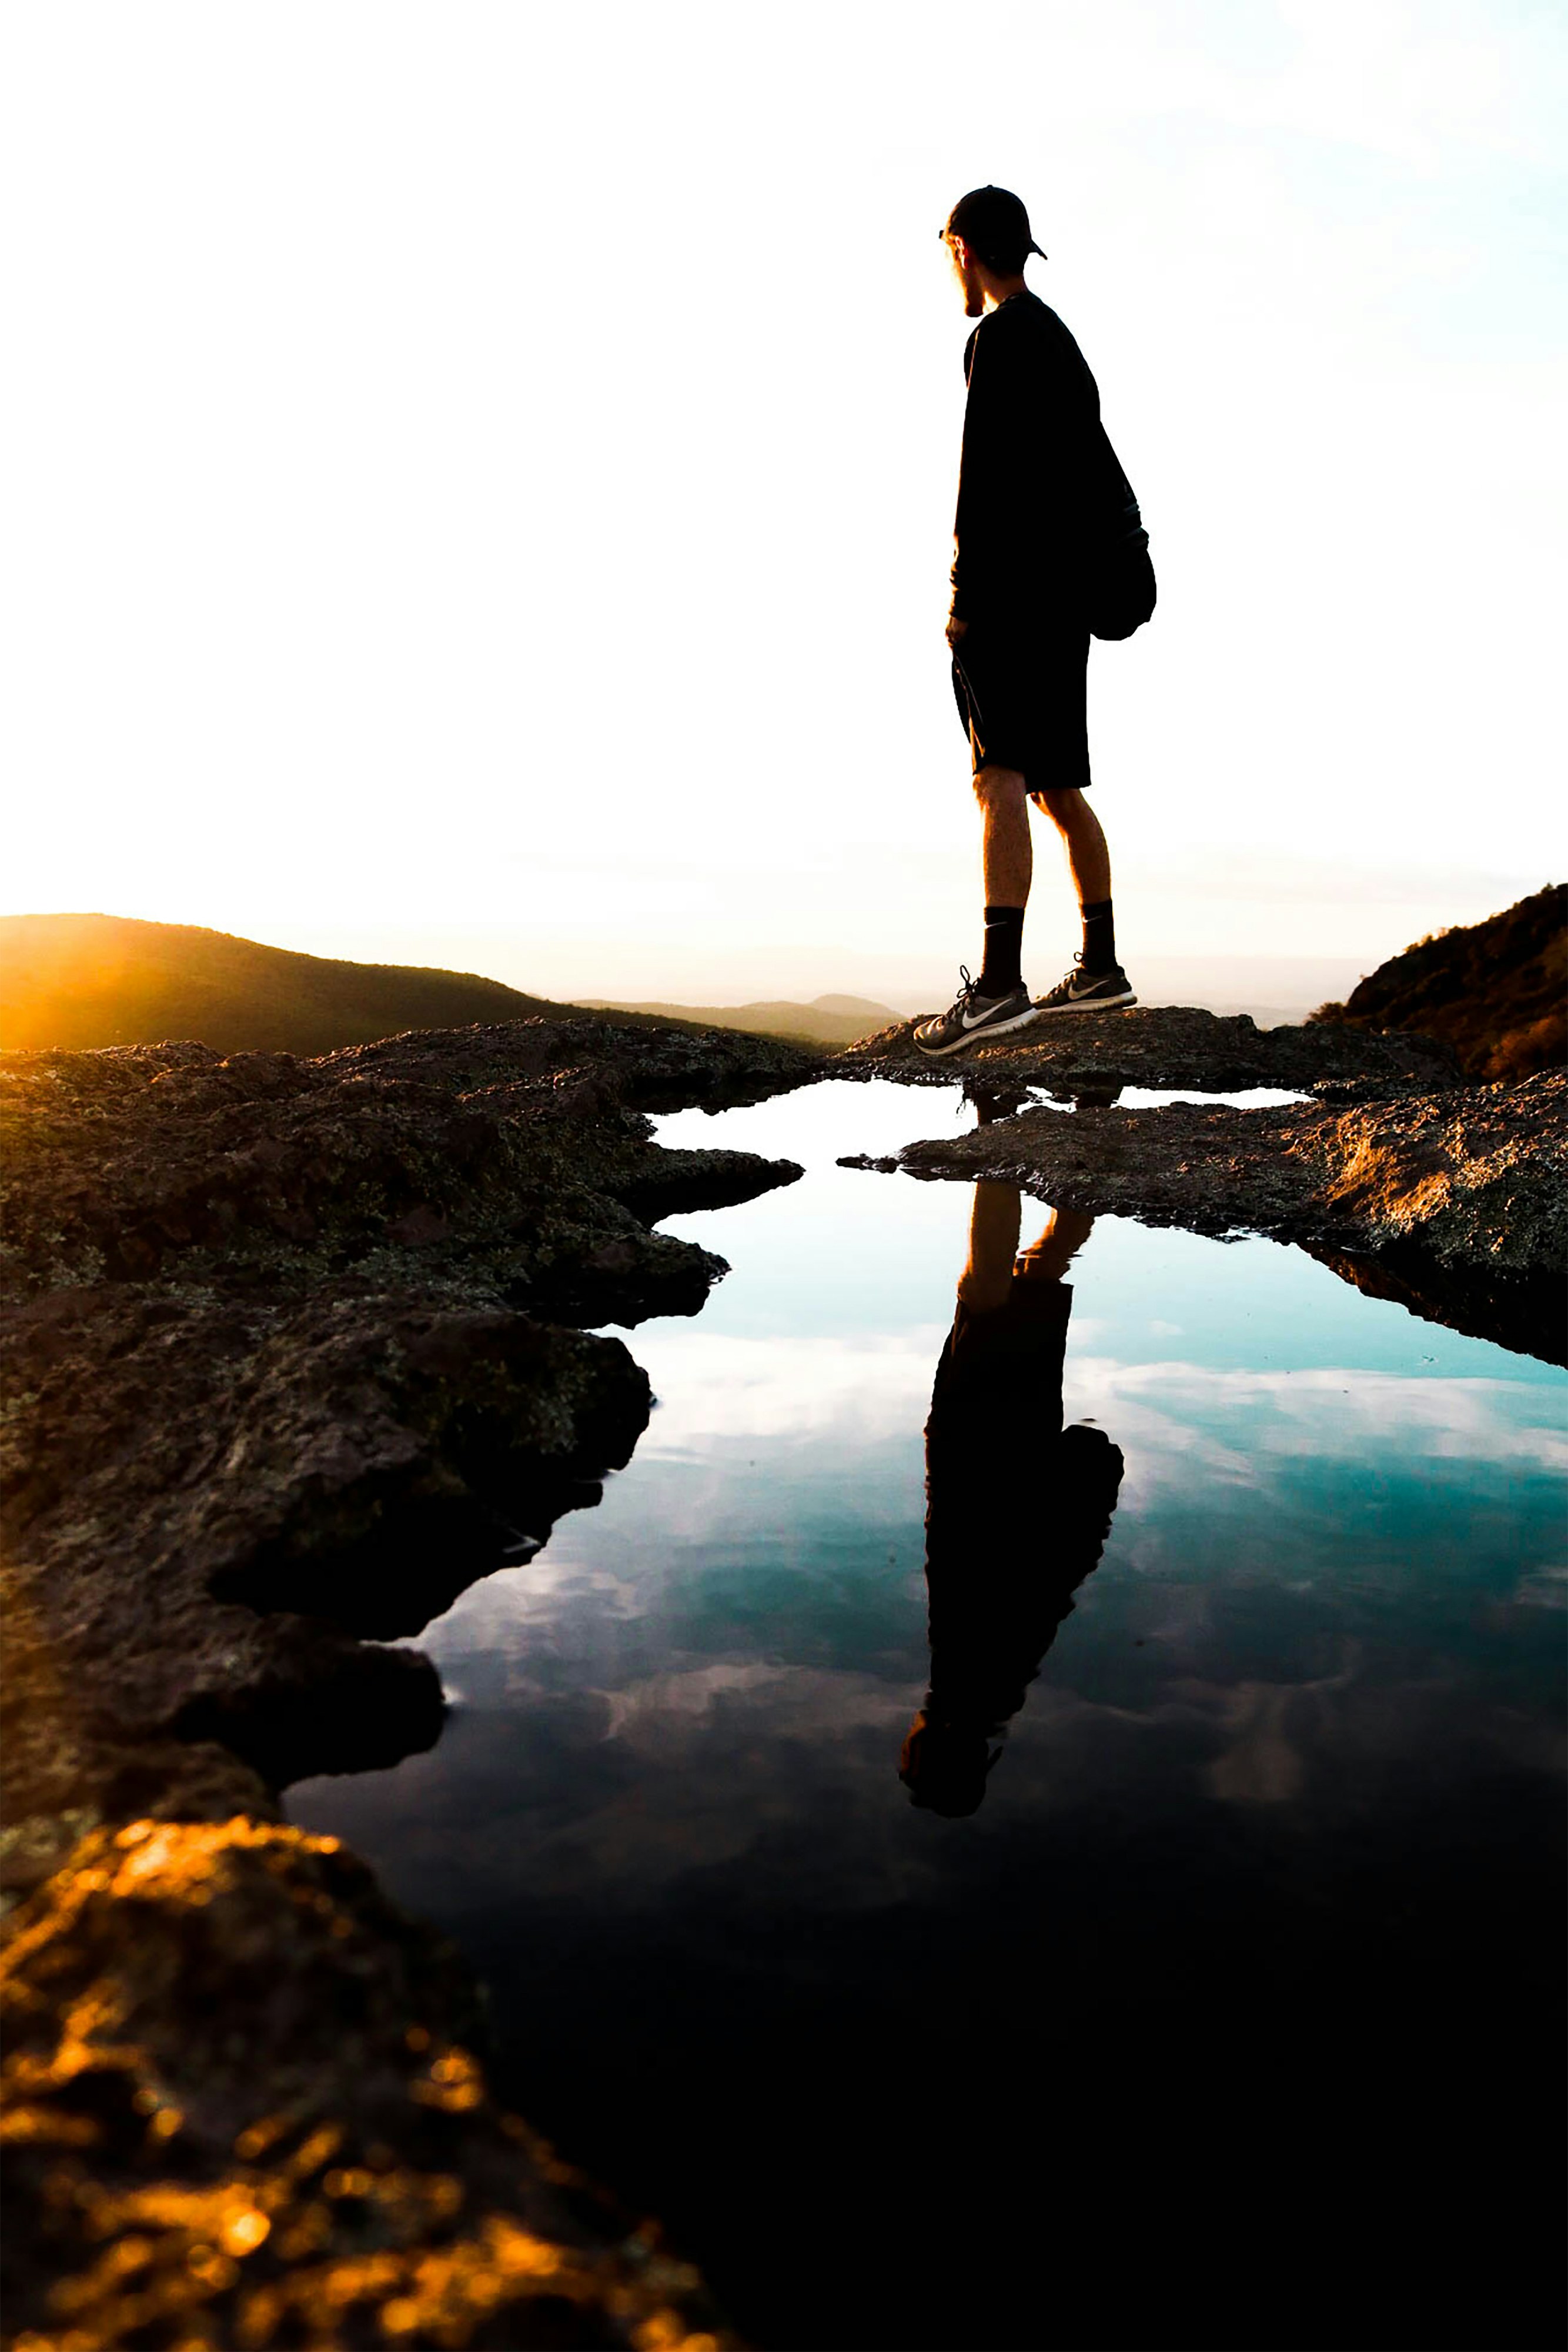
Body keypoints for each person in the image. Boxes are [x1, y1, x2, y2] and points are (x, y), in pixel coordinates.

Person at [914, 185, 1153, 1059]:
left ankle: (998, 987)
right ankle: (1100, 966)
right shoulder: (1059, 340)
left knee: (1001, 776)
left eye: (949, 251)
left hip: (1011, 597)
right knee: (1056, 785)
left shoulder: (996, 340)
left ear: (965, 251)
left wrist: (960, 600)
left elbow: (981, 480)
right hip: (1068, 600)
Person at [900, 1120, 1124, 1817]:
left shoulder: (1003, 1683)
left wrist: (1090, 1467)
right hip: (977, 1462)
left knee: (1039, 1271)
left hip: (1021, 1452)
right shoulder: (967, 1683)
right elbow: (975, 1561)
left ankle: (1093, 1119)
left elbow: (1066, 1565)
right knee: (988, 1291)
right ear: (922, 1747)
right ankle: (999, 1125)